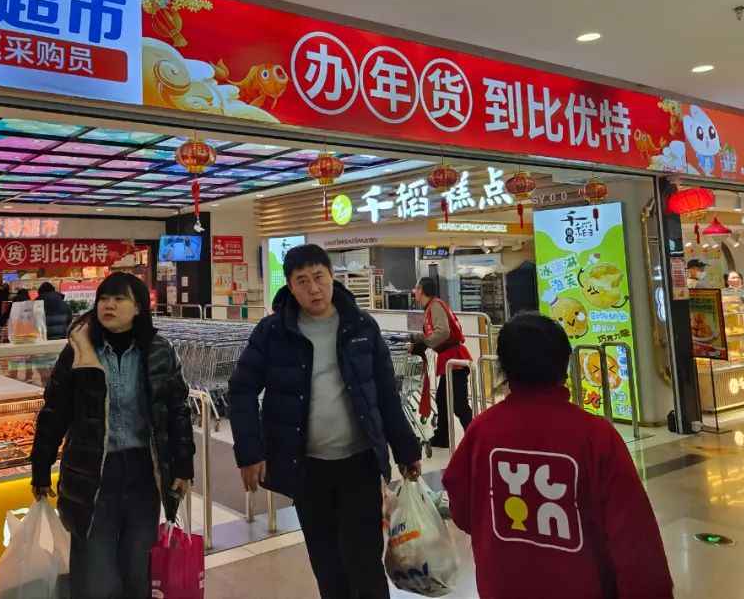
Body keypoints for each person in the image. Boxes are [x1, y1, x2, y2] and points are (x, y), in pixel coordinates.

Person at [229, 243, 422, 599]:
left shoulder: (361, 326)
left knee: (365, 562)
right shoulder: (273, 332)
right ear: (290, 287)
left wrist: (406, 449)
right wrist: (249, 451)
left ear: (332, 277)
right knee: (327, 563)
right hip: (306, 468)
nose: (313, 289)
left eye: (319, 277)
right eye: (302, 281)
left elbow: (384, 393)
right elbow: (241, 389)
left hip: (359, 464)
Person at [443, 312, 673, 599]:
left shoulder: (482, 430)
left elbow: (462, 508)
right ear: (564, 364)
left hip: (502, 586)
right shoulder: (596, 436)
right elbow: (634, 538)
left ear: (504, 369)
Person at [31, 272, 194, 599]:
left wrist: (183, 466)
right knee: (95, 573)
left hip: (144, 473)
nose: (109, 305)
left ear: (139, 308)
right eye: (104, 299)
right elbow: (55, 411)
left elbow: (177, 410)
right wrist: (41, 464)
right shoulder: (79, 352)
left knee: (138, 567)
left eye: (119, 299)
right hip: (92, 473)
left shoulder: (159, 351)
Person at [410, 277, 474, 450]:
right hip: (449, 359)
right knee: (442, 400)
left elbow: (443, 332)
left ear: (422, 290)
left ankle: (475, 437)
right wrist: (420, 341)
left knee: (459, 404)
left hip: (455, 359)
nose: (414, 292)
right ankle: (442, 437)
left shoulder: (435, 306)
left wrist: (423, 342)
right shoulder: (431, 307)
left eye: (416, 288)